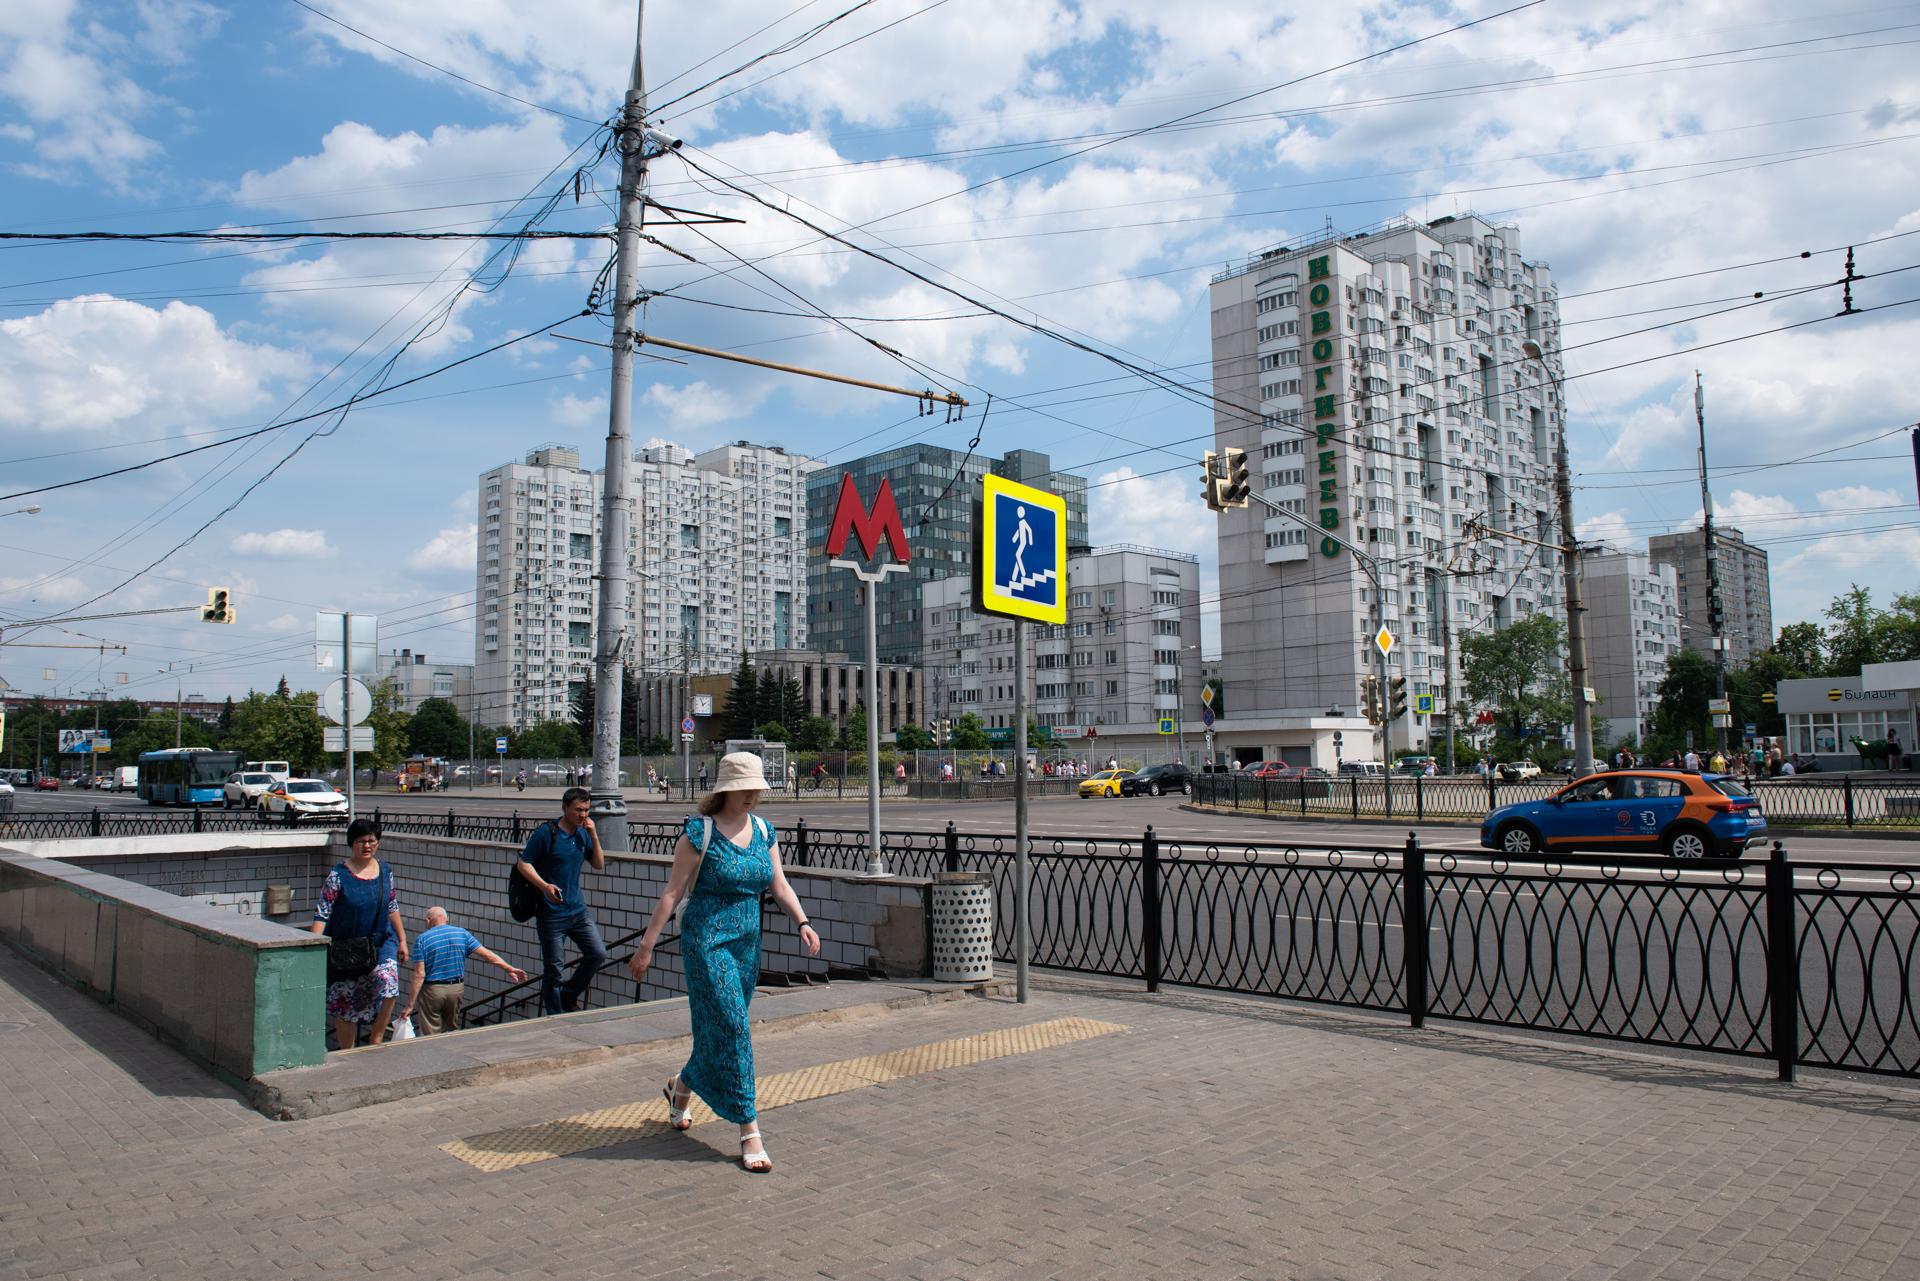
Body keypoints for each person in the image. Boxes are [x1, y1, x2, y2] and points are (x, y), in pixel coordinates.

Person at [631, 752, 819, 1174]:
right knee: (734, 1027)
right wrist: (647, 946)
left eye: (757, 788)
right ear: (727, 790)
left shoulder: (765, 830)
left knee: (721, 1030)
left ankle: (680, 1088)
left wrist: (803, 921)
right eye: (746, 788)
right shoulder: (699, 833)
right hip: (706, 941)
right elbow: (672, 893)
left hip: (747, 941)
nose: (753, 795)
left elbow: (778, 883)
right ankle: (749, 1129)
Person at [308, 818, 409, 1049]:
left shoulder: (385, 871)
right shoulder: (337, 876)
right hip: (347, 949)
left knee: (389, 984)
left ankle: (376, 1038)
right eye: (361, 841)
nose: (367, 846)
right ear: (351, 844)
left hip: (380, 943)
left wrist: (402, 939)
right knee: (347, 1006)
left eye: (372, 841)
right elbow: (322, 913)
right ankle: (348, 1052)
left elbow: (392, 905)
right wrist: (314, 947)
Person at [513, 787, 609, 1015]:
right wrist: (545, 887)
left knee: (598, 953)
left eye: (586, 810)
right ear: (565, 808)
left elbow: (598, 864)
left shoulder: (583, 833)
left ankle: (569, 994)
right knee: (554, 969)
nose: (583, 815)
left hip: (578, 911)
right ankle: (555, 1015)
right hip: (552, 913)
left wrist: (594, 834)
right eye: (578, 810)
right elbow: (523, 863)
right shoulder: (547, 832)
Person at [401, 906, 527, 1035]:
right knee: (451, 1030)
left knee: (431, 1032)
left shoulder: (422, 939)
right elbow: (487, 955)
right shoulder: (462, 933)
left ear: (428, 920)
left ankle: (435, 1054)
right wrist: (509, 969)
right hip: (456, 989)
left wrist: (410, 1005)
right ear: (447, 919)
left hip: (432, 991)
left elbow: (419, 974)